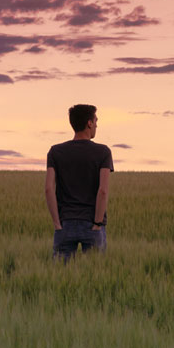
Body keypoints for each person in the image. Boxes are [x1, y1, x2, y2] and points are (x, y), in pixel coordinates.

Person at [45, 104, 114, 262]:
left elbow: (49, 189)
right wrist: (97, 224)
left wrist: (57, 224)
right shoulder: (103, 152)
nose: (97, 124)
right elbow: (103, 191)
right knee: (95, 278)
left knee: (61, 278)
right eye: (96, 120)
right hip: (92, 224)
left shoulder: (56, 152)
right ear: (89, 123)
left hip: (65, 223)